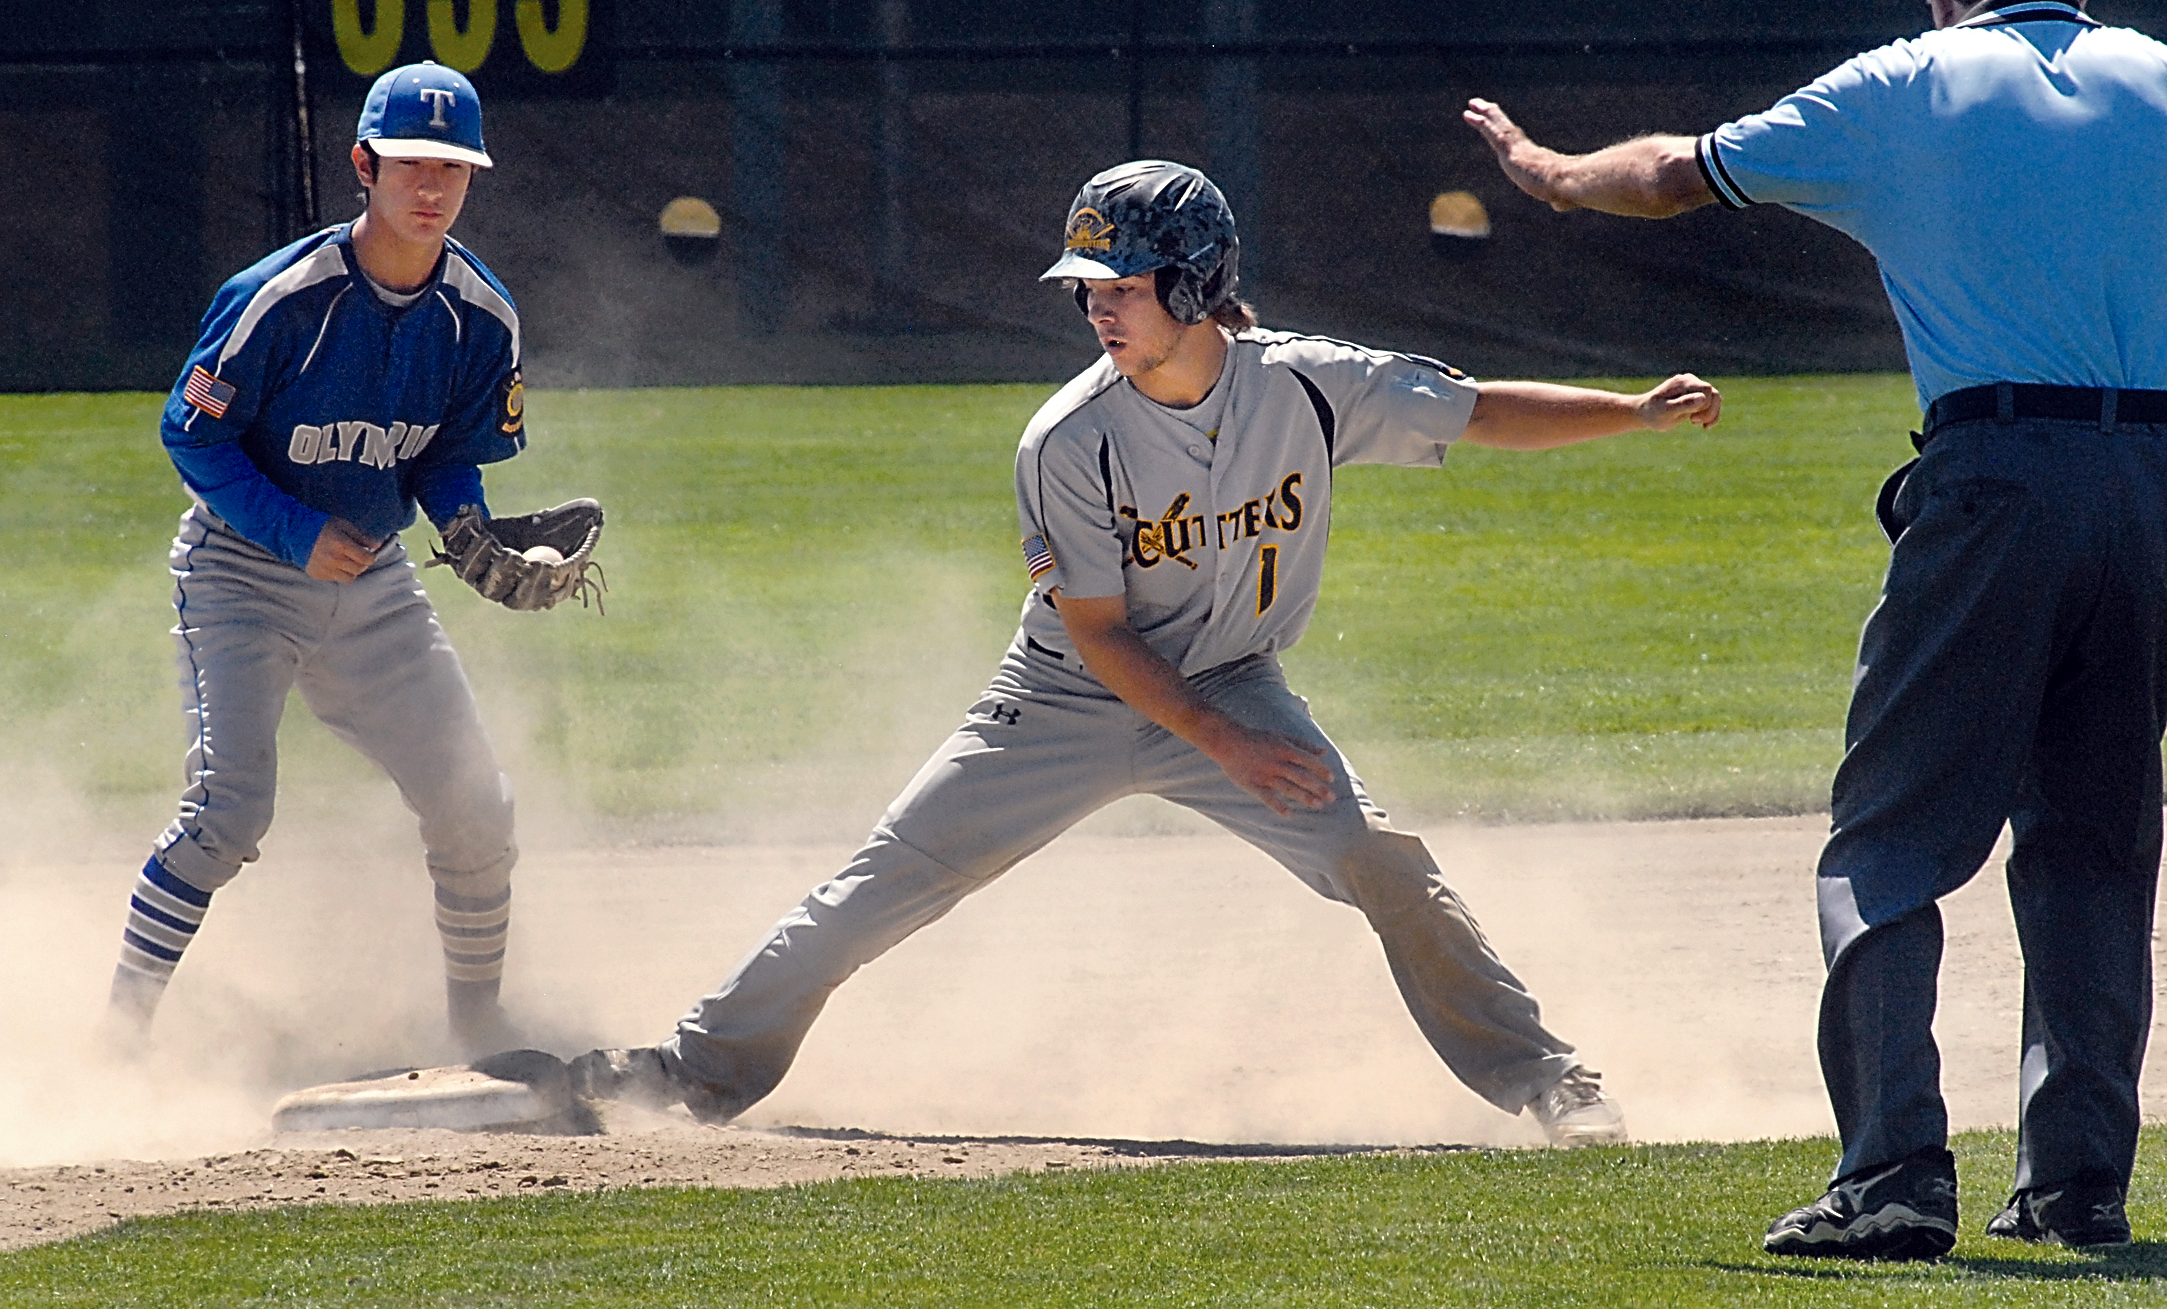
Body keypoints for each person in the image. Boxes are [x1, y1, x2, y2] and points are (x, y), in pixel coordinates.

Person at [568, 159, 1720, 1145]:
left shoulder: (1312, 389)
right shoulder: (1069, 440)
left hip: (1233, 684)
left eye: (1122, 287)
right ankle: (690, 1074)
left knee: (1381, 860)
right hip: (1067, 697)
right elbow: (1100, 633)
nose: (1099, 314)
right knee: (887, 882)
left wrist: (1631, 413)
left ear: (1195, 283)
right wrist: (1230, 748)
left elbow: (1475, 411)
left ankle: (1548, 1081)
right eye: (1088, 293)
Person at [1465, 0, 2165, 1258]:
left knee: (1885, 842)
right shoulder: (2154, 72)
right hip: (2152, 489)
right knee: (2095, 846)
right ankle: (2077, 1181)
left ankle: (1895, 1173)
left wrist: (1546, 175)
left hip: (1996, 477)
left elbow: (1672, 172)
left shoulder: (1905, 83)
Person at [106, 61, 528, 1059]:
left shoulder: (479, 316)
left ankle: (481, 1028)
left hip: (373, 583)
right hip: (240, 575)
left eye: (454, 168)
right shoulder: (278, 301)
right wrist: (296, 536)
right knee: (229, 814)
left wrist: (467, 533)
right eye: (411, 164)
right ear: (364, 166)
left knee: (476, 808)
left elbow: (445, 459)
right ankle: (118, 1039)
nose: (432, 187)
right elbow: (192, 437)